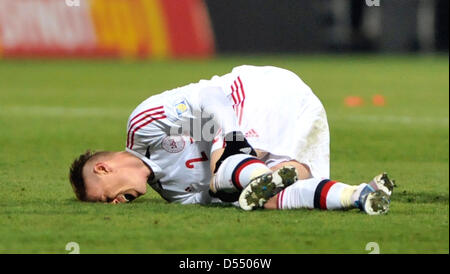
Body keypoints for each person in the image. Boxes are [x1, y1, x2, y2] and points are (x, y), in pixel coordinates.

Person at [69, 65, 394, 214]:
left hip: (262, 91)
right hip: (303, 114)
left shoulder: (143, 127)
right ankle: (360, 195)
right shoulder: (174, 195)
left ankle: (236, 162)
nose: (112, 204)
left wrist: (229, 145)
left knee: (219, 155)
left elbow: (211, 96)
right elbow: (232, 199)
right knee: (263, 197)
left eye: (103, 198)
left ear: (103, 168)